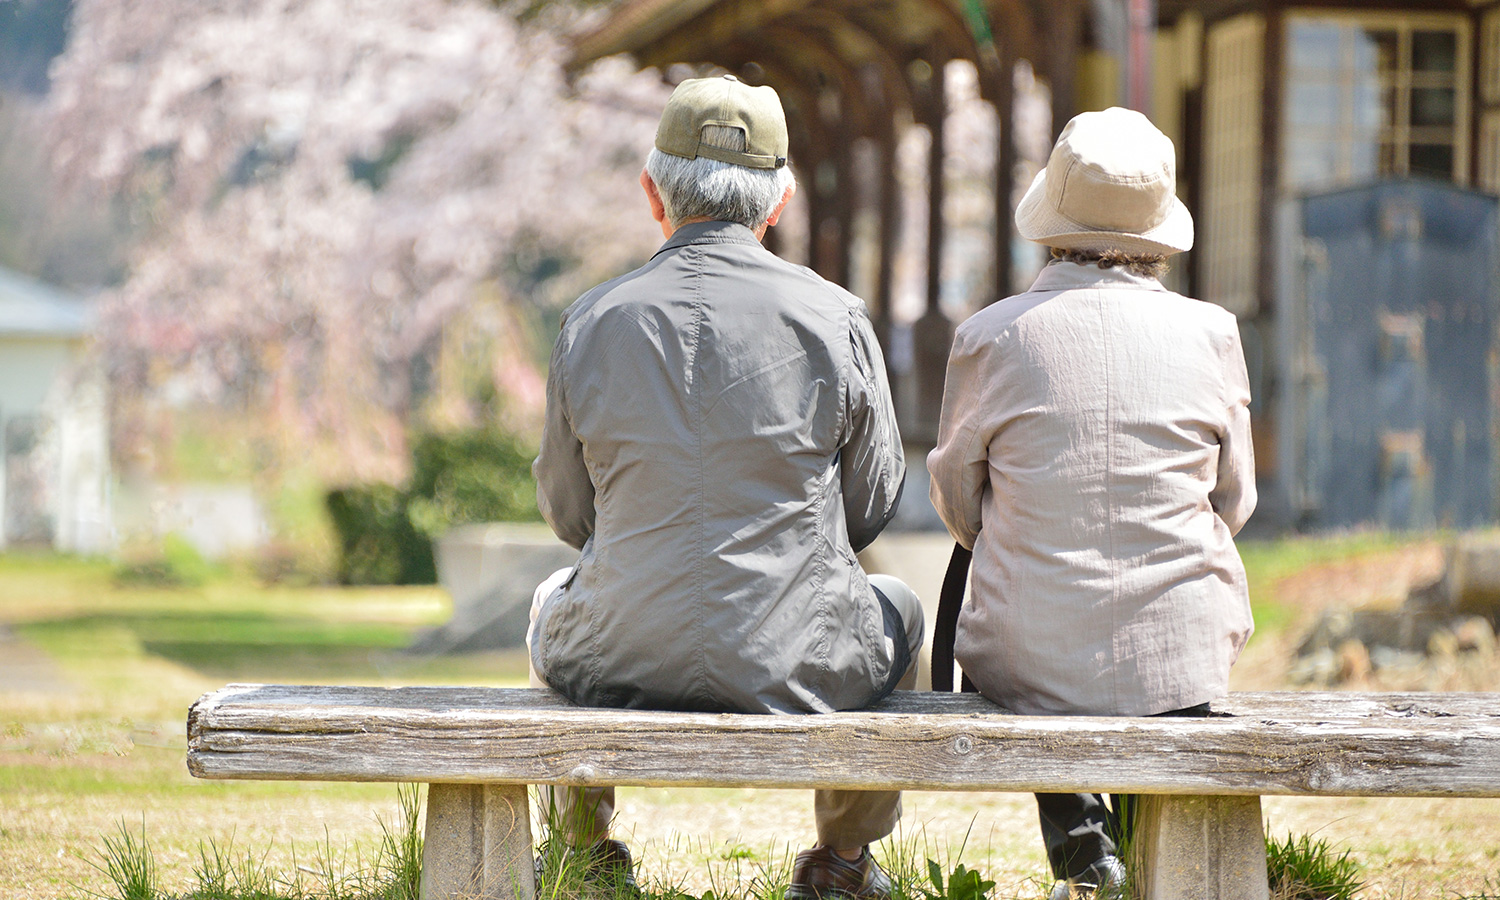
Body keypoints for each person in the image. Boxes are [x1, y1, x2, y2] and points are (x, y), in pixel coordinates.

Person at [529, 74, 923, 900]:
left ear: (652, 192)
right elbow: (872, 505)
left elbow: (569, 514)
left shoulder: (592, 320)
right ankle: (844, 862)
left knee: (546, 599)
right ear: (777, 203)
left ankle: (584, 847)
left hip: (618, 651)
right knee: (902, 606)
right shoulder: (836, 318)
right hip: (798, 658)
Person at [926, 107, 1257, 900]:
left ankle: (1084, 849)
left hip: (1027, 652)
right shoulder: (1213, 333)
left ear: (1052, 220)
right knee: (1163, 656)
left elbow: (957, 501)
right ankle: (1140, 848)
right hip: (1182, 649)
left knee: (1021, 629)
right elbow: (1235, 500)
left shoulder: (991, 336)